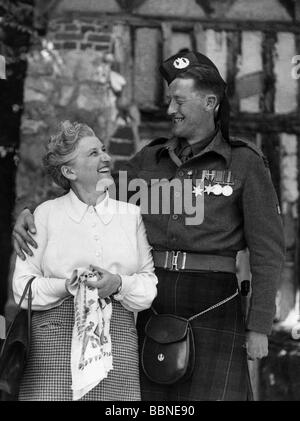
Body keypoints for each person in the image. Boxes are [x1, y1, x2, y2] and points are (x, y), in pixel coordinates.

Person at [13, 51, 285, 401]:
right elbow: (86, 190)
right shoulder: (148, 159)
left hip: (213, 297)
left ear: (210, 102)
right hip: (149, 295)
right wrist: (27, 212)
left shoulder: (245, 163)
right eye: (169, 99)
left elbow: (268, 251)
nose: (171, 109)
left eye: (179, 100)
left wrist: (259, 326)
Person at [12, 121, 157, 401]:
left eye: (103, 150)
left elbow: (148, 288)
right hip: (52, 350)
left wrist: (117, 284)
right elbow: (22, 289)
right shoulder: (45, 215)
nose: (106, 157)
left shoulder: (131, 216)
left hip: (118, 351)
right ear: (69, 171)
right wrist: (67, 286)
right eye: (93, 153)